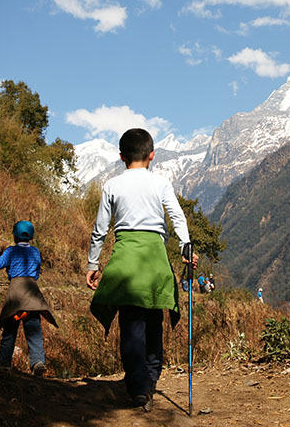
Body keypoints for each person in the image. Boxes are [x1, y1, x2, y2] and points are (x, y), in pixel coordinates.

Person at [86, 128, 197, 412]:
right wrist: (185, 248)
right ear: (152, 155)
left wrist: (93, 264)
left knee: (131, 325)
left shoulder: (112, 185)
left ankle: (138, 387)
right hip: (155, 260)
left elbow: (100, 229)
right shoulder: (160, 182)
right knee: (154, 321)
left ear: (121, 156)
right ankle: (150, 378)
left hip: (125, 260)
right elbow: (177, 216)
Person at [0, 220, 57, 375]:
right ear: (31, 236)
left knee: (9, 331)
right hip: (33, 296)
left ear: (14, 236)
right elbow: (36, 274)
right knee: (34, 330)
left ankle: (4, 364)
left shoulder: (11, 252)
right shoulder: (35, 252)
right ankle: (38, 362)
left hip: (15, 296)